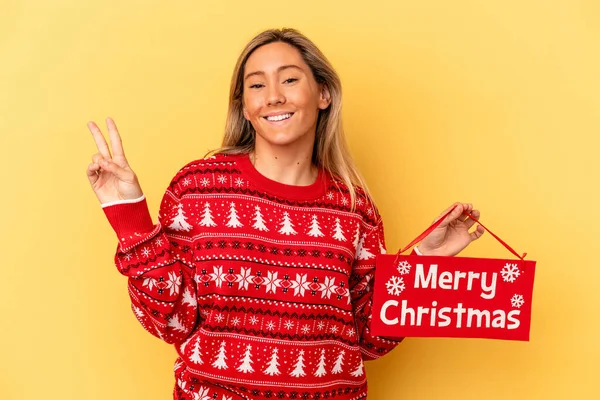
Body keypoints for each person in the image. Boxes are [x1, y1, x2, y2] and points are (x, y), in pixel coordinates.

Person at [86, 28, 484, 400]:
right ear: (244, 106)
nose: (273, 96)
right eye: (257, 85)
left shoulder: (354, 209)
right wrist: (129, 215)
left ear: (323, 94)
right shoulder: (198, 189)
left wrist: (423, 265)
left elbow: (364, 337)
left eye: (289, 79)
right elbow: (170, 318)